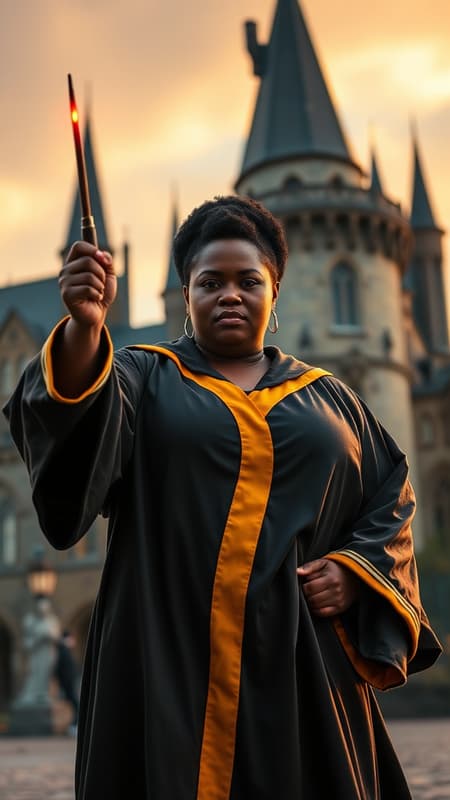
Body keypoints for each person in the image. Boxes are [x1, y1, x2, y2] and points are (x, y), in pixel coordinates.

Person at [3, 195, 441, 799]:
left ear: (274, 293)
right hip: (168, 650)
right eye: (210, 282)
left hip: (305, 661)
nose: (229, 294)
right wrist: (83, 327)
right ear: (185, 297)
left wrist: (357, 570)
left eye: (247, 280)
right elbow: (73, 427)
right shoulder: (141, 374)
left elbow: (392, 497)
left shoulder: (334, 399)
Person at [54, 630, 80, 736]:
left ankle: (73, 726)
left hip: (67, 685)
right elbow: (61, 671)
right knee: (76, 706)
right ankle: (73, 727)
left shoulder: (63, 651)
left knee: (75, 706)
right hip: (67, 686)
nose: (74, 642)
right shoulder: (64, 652)